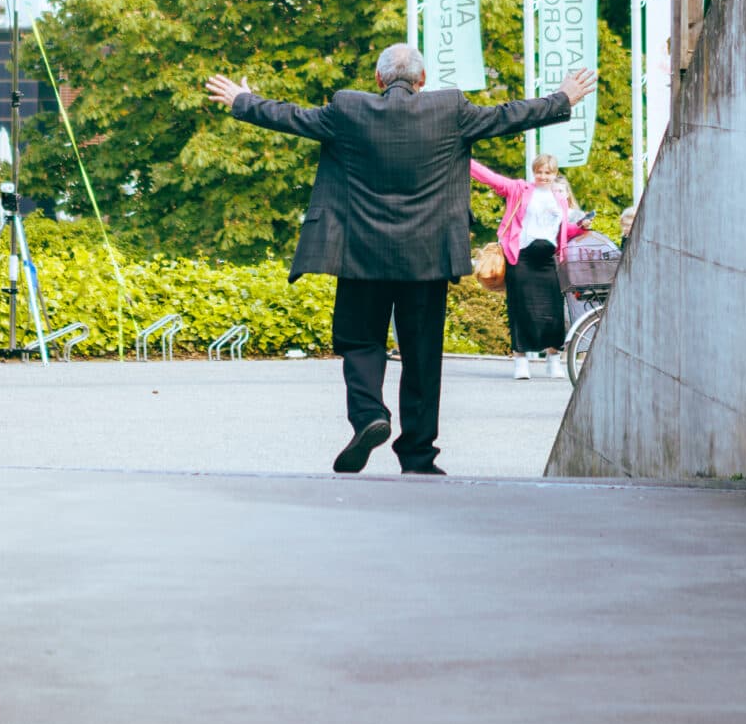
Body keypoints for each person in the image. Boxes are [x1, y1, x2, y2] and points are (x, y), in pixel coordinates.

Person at [204, 45, 596, 475]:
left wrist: (243, 101)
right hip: (427, 259)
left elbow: (292, 117)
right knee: (422, 355)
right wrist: (561, 99)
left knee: (360, 342)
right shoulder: (450, 110)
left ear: (378, 80)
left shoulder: (346, 109)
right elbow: (507, 116)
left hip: (361, 257)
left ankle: (370, 414)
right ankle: (418, 457)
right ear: (422, 81)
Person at [468, 152, 592, 380]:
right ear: (534, 171)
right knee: (520, 309)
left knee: (553, 311)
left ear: (555, 174)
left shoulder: (559, 198)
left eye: (548, 172)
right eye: (539, 171)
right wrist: (464, 158)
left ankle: (553, 359)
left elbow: (562, 230)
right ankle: (521, 360)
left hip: (547, 260)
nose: (543, 176)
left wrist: (581, 226)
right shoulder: (519, 189)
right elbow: (489, 177)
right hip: (522, 258)